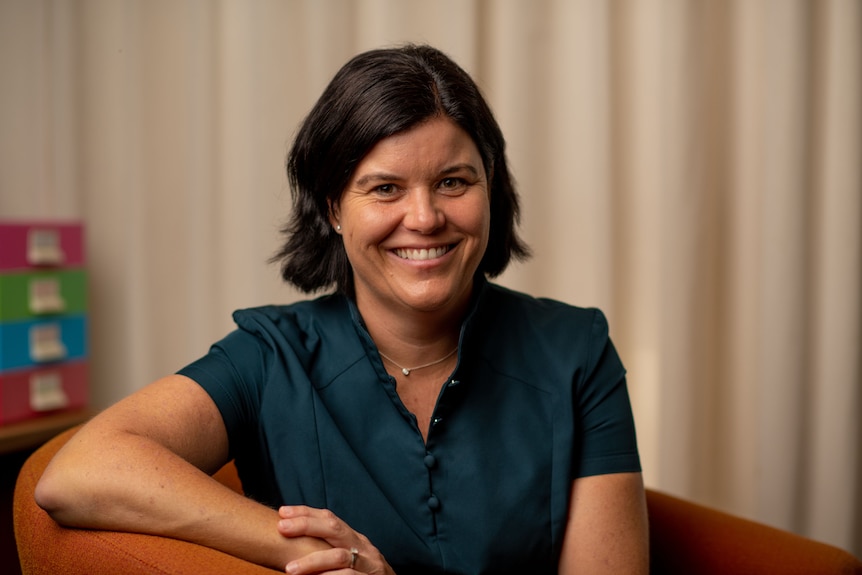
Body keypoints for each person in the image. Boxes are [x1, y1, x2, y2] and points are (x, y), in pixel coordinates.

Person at [35, 44, 649, 574]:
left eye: (454, 182)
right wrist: (314, 547)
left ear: (492, 190)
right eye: (385, 188)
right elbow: (78, 472)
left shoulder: (576, 349)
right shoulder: (272, 356)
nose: (425, 217)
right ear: (332, 208)